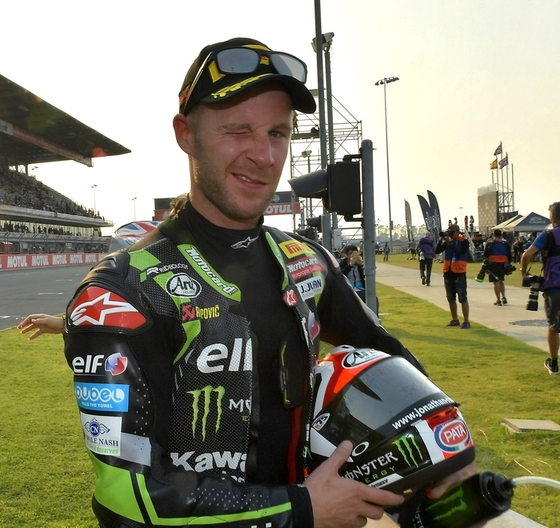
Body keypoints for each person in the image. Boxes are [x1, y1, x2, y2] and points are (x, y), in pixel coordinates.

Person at [61, 37, 474, 528]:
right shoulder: (119, 293)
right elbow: (129, 496)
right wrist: (302, 509)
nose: (263, 155)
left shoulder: (306, 260)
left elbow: (384, 351)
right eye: (238, 130)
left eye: (278, 133)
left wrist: (447, 453)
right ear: (185, 134)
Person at [520, 202, 560, 375]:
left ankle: (554, 363)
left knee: (554, 325)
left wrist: (524, 272)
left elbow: (526, 255)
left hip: (554, 286)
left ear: (552, 218)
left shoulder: (548, 235)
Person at [436, 224, 472, 329]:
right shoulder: (448, 242)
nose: (450, 234)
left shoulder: (464, 242)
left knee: (462, 298)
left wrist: (449, 243)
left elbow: (460, 251)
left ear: (457, 232)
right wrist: (441, 240)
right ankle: (455, 319)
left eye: (452, 232)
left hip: (459, 273)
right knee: (450, 298)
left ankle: (466, 321)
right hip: (448, 273)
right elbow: (437, 251)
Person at [483, 228, 512, 306]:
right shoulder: (505, 243)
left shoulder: (490, 243)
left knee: (496, 282)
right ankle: (503, 297)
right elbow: (509, 255)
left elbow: (486, 254)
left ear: (493, 234)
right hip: (503, 264)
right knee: (501, 281)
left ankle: (498, 300)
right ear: (501, 235)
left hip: (493, 264)